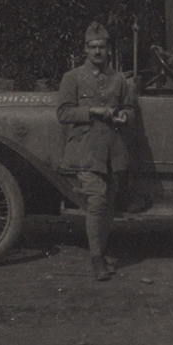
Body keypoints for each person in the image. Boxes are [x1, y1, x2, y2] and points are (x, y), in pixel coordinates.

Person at [57, 22, 136, 281]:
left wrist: (124, 115)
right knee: (98, 201)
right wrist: (92, 111)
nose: (98, 51)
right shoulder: (73, 78)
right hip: (86, 148)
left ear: (108, 50)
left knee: (108, 204)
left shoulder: (118, 79)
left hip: (113, 150)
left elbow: (130, 109)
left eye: (102, 47)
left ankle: (101, 251)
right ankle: (96, 259)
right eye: (93, 47)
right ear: (85, 50)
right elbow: (63, 113)